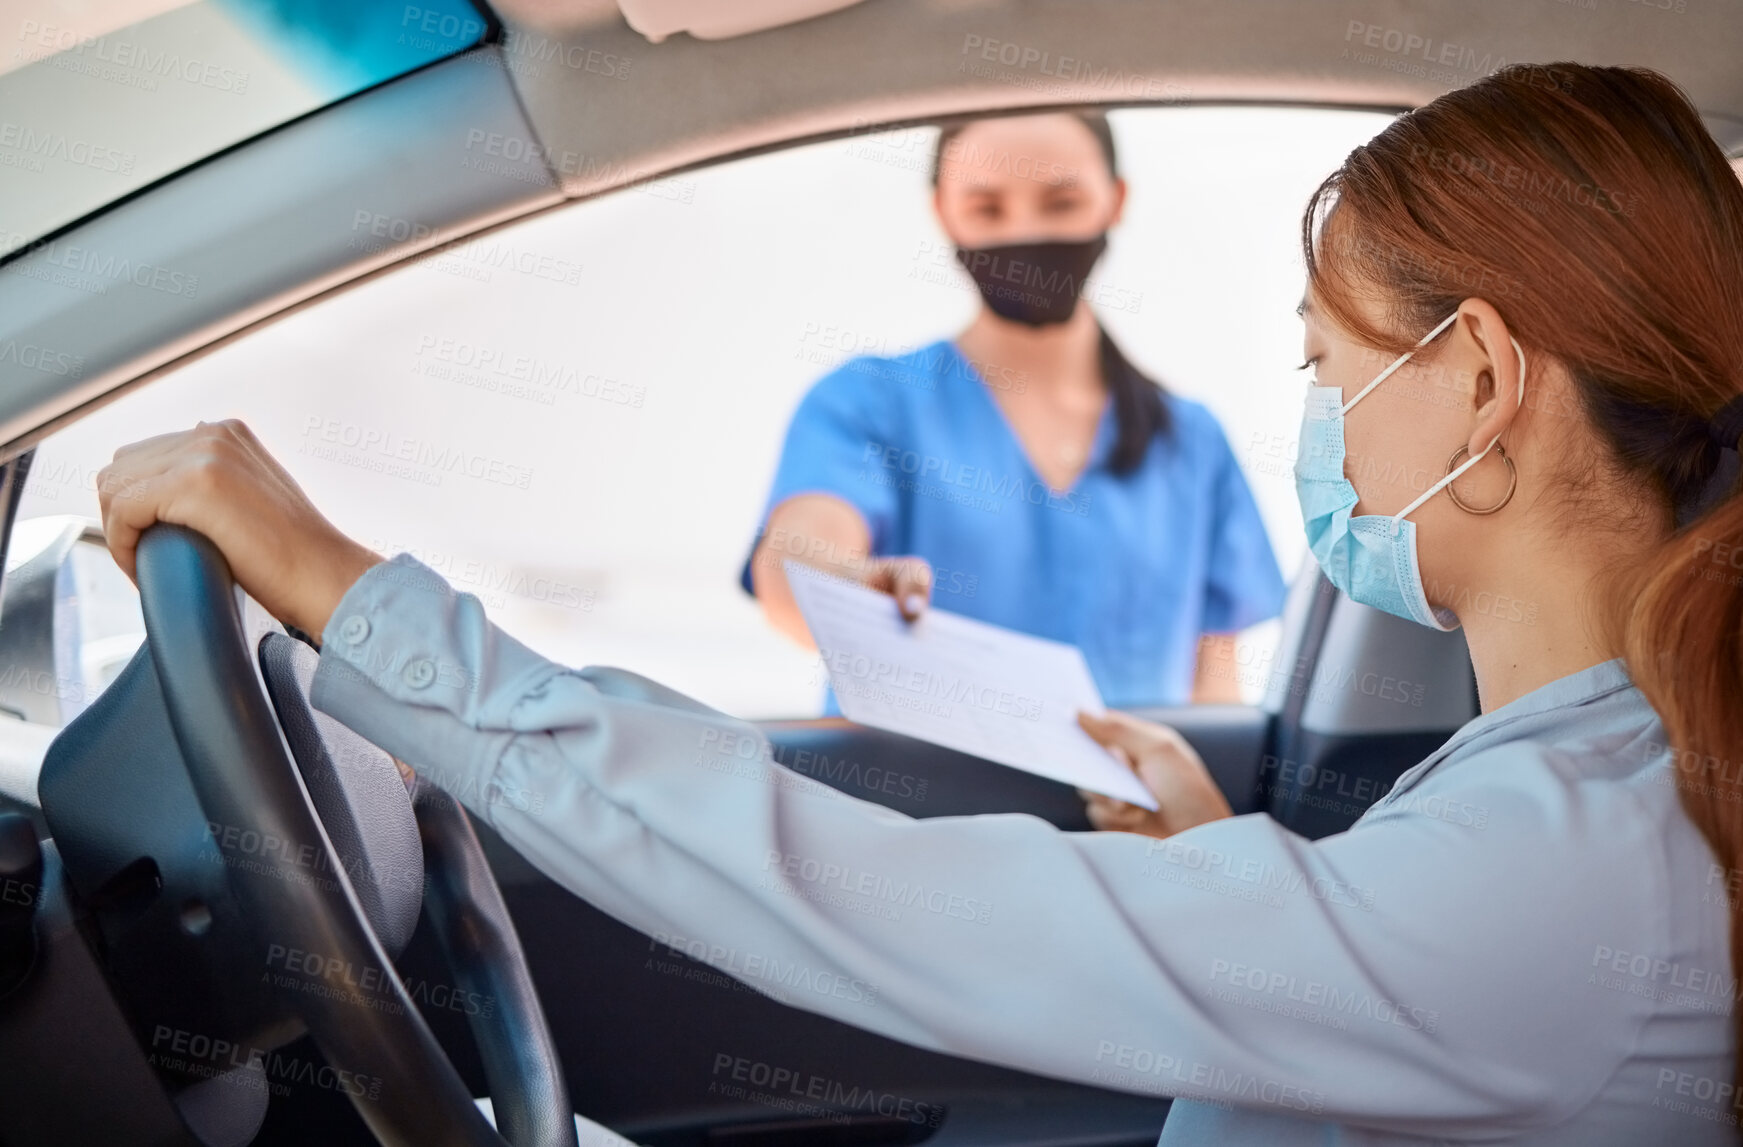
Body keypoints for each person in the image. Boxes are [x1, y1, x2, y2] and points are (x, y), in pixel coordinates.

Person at [96, 62, 1743, 1144]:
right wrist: (1205, 877)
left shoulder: (1566, 861)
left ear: (1472, 375)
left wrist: (349, 594)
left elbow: (874, 896)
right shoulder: (1571, 787)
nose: (1315, 424)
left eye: (1328, 366)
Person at [742, 110, 1285, 708]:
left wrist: (1197, 801)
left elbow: (1216, 692)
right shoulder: (867, 404)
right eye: (987, 209)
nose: (1024, 234)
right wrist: (846, 591)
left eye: (1061, 203)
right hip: (900, 803)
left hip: (1122, 801)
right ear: (943, 213)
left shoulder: (1191, 442)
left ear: (1116, 199)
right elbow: (797, 561)